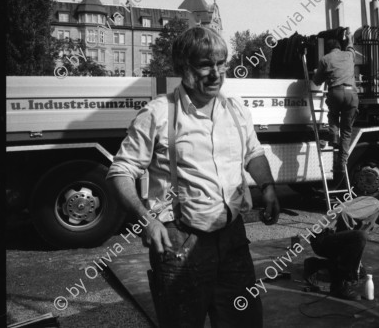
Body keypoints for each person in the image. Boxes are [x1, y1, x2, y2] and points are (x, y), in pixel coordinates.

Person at [106, 26, 280, 328]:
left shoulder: (235, 109)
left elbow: (253, 152)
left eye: (221, 63)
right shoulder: (158, 114)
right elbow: (120, 171)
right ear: (183, 67)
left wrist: (267, 188)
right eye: (205, 65)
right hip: (180, 245)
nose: (216, 74)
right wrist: (147, 219)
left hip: (232, 240)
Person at [303, 196, 379, 300]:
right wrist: (345, 249)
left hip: (322, 239)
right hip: (322, 238)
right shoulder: (376, 205)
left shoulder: (370, 202)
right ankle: (338, 286)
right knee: (360, 237)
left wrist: (354, 263)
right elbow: (345, 214)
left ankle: (315, 265)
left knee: (360, 273)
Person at [312, 28, 359, 182]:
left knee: (332, 115)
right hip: (352, 94)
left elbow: (316, 81)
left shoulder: (325, 59)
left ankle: (333, 138)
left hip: (336, 93)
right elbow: (351, 44)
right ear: (340, 47)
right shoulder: (349, 55)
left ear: (328, 48)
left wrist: (321, 72)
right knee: (347, 131)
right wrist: (349, 36)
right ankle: (342, 162)